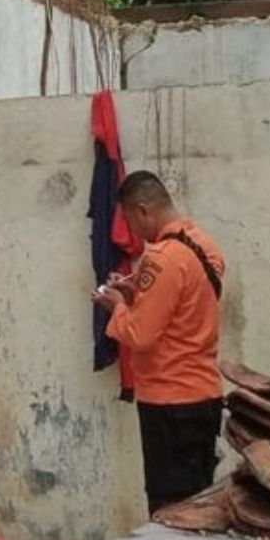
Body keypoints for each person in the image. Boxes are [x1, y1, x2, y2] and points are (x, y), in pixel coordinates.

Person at [91, 171, 226, 515]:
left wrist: (117, 306)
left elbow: (140, 334)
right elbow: (181, 305)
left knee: (171, 511)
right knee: (200, 502)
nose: (134, 233)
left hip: (169, 402)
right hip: (204, 394)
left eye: (131, 222)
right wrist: (136, 293)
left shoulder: (162, 258)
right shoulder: (201, 245)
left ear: (143, 211)